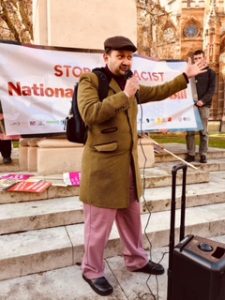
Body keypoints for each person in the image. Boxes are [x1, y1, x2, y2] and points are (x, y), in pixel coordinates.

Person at [77, 36, 207, 296]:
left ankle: (136, 260)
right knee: (98, 227)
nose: (125, 61)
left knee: (132, 219)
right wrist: (125, 96)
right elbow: (90, 113)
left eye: (129, 56)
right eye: (120, 56)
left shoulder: (131, 82)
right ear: (106, 57)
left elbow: (157, 92)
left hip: (127, 167)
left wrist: (185, 76)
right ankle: (91, 270)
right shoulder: (90, 81)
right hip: (102, 169)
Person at [185, 49, 216, 163]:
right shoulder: (191, 74)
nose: (197, 60)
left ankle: (203, 154)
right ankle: (191, 154)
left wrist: (203, 101)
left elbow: (212, 89)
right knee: (190, 132)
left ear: (204, 58)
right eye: (195, 59)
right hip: (191, 106)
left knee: (203, 132)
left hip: (204, 106)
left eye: (199, 58)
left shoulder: (211, 73)